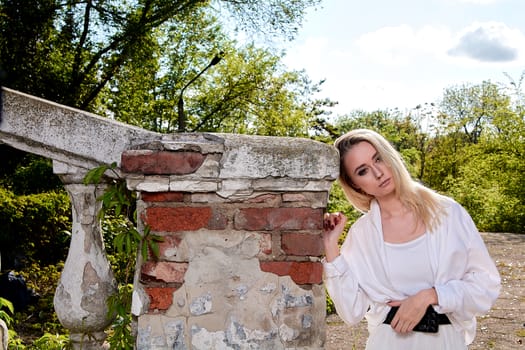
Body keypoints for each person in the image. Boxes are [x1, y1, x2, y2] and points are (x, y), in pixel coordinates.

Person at [322, 129, 501, 349]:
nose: (378, 173)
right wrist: (331, 247)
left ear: (389, 156)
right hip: (388, 342)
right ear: (356, 185)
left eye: (378, 158)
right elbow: (351, 312)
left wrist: (431, 296)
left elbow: (486, 286)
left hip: (444, 341)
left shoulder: (447, 213)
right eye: (362, 171)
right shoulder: (362, 235)